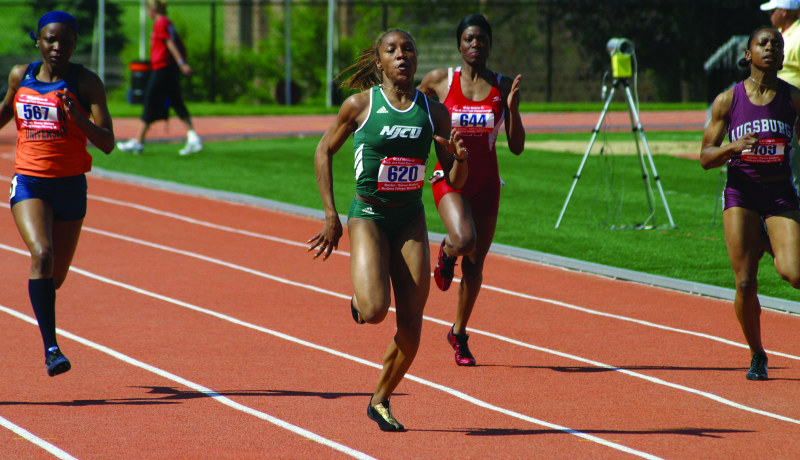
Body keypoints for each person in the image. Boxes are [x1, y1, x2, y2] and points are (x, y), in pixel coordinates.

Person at [308, 29, 468, 431]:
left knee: (412, 323)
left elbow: (455, 179)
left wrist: (460, 160)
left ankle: (380, 399)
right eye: (392, 50)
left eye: (408, 49)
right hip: (369, 216)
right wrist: (331, 215)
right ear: (379, 62)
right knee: (376, 311)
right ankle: (361, 301)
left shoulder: (434, 112)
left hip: (410, 218)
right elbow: (323, 150)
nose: (402, 56)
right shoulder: (360, 105)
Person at [0, 11, 114, 376]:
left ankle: (44, 309)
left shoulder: (87, 83)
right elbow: (5, 110)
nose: (57, 47)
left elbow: (108, 143)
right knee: (42, 253)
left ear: (75, 43)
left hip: (70, 185)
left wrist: (78, 118)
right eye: (51, 39)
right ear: (38, 40)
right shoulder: (22, 75)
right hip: (30, 181)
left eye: (65, 41)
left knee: (54, 277)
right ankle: (52, 349)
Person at [417, 14, 524, 366]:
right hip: (449, 175)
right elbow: (410, 110)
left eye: (481, 39)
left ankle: (458, 333)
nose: (475, 44)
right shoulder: (440, 80)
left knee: (476, 268)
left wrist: (513, 111)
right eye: (469, 39)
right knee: (464, 241)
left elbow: (517, 147)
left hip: (486, 182)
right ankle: (448, 253)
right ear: (459, 45)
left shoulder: (503, 84)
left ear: (490, 45)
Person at [701, 26, 800, 380]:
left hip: (779, 195)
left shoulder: (793, 98)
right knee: (745, 284)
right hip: (741, 193)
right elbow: (706, 157)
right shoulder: (728, 101)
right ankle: (758, 354)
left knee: (794, 273)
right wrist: (732, 147)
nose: (770, 47)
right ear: (748, 55)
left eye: (777, 43)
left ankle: (764, 237)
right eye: (763, 43)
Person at [116, 0, 201, 156]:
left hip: (163, 68)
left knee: (150, 100)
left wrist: (182, 63)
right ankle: (193, 137)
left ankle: (139, 142)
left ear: (152, 10)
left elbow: (171, 44)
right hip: (167, 68)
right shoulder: (167, 22)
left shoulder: (160, 23)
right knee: (176, 101)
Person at [760, 0, 800, 187]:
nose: (770, 16)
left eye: (773, 11)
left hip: (794, 114)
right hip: (779, 113)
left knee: (794, 169)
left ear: (784, 12)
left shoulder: (798, 36)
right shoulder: (784, 36)